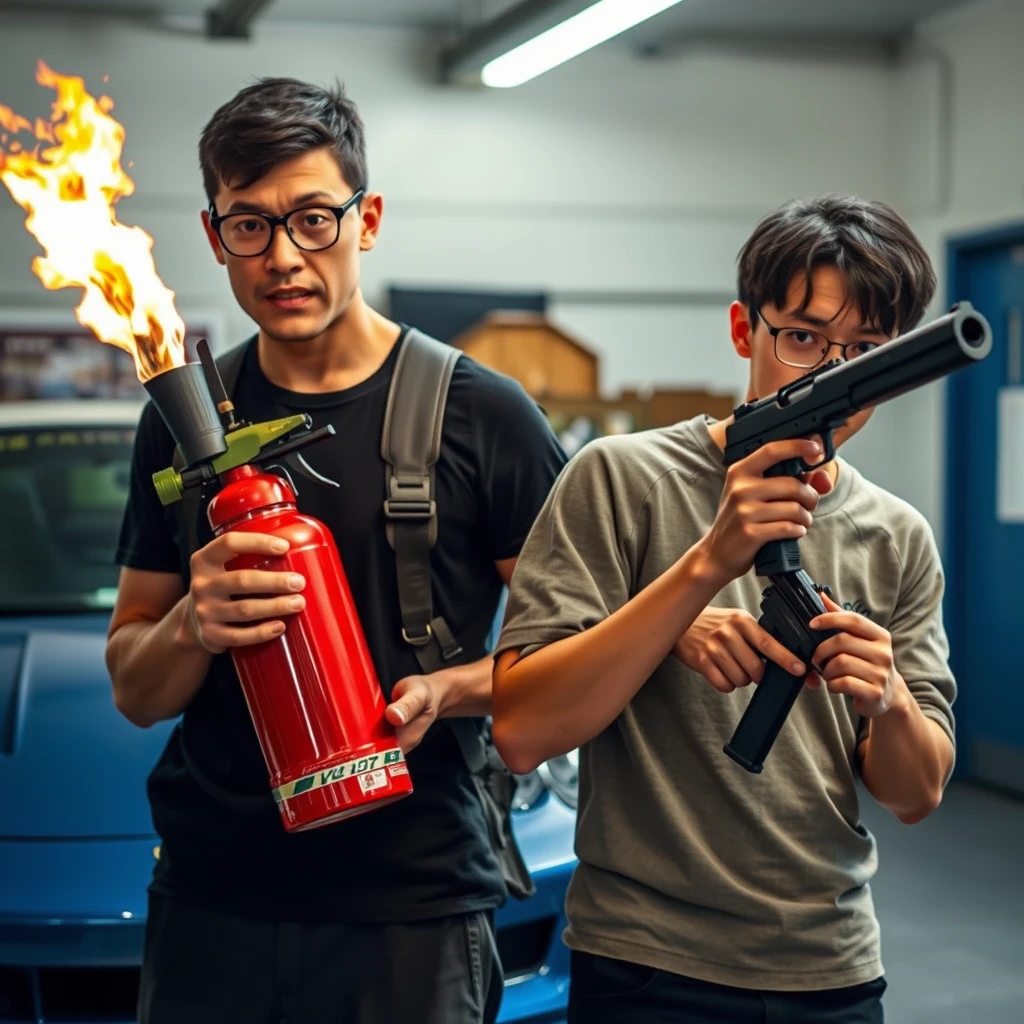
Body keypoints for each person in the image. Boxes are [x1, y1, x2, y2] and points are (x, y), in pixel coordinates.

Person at [106, 76, 566, 1024]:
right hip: (212, 900)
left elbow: (580, 664)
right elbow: (135, 688)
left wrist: (448, 691)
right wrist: (193, 624)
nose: (283, 257)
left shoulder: (483, 417)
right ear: (212, 234)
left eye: (315, 218)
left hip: (411, 910)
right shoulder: (182, 423)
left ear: (369, 219)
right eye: (249, 226)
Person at [491, 194, 955, 1023]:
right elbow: (523, 731)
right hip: (647, 963)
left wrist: (884, 697)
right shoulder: (620, 479)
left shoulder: (898, 536)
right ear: (746, 330)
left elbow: (915, 794)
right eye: (804, 338)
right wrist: (705, 566)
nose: (830, 375)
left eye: (865, 353)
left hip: (833, 968)